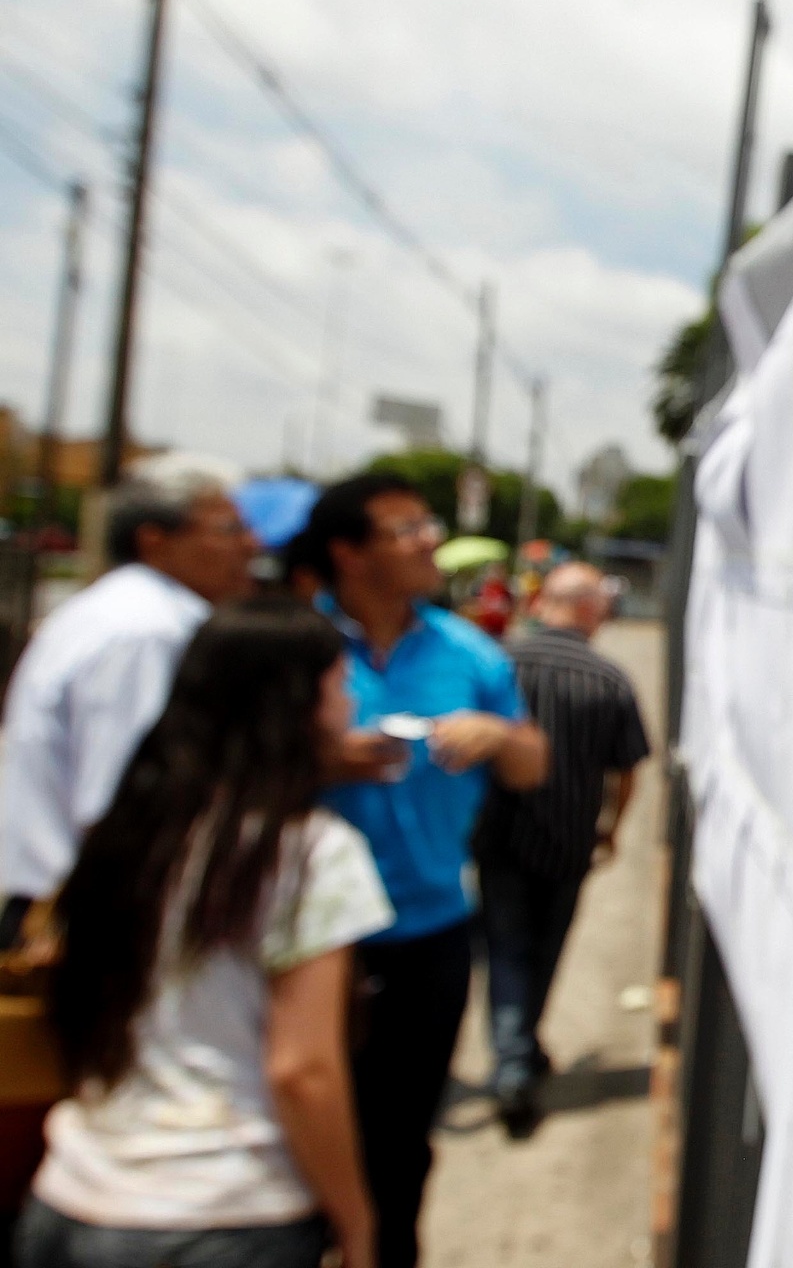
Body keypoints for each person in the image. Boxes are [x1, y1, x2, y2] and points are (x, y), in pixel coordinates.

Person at [16, 599, 393, 1268]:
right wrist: (358, 1222)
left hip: (69, 1201)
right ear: (293, 706)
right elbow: (303, 1070)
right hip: (227, 1216)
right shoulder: (312, 854)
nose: (352, 700)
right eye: (339, 683)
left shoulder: (129, 831)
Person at [302, 473, 548, 1268]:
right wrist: (320, 760)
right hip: (304, 941)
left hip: (429, 932)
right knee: (298, 1124)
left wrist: (498, 737)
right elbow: (218, 767)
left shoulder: (469, 651)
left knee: (401, 1138)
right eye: (405, 529)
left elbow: (532, 764)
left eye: (427, 525)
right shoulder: (293, 647)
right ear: (348, 551)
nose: (427, 542)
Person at [0, 461, 256, 949]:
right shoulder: (147, 631)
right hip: (97, 906)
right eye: (229, 529)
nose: (250, 544)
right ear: (154, 539)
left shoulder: (132, 613)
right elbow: (119, 793)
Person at [472, 562, 649, 1136]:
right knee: (543, 949)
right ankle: (517, 1058)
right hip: (569, 839)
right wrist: (611, 829)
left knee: (507, 949)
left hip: (499, 835)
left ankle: (514, 1054)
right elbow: (627, 772)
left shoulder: (499, 664)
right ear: (591, 610)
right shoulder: (609, 680)